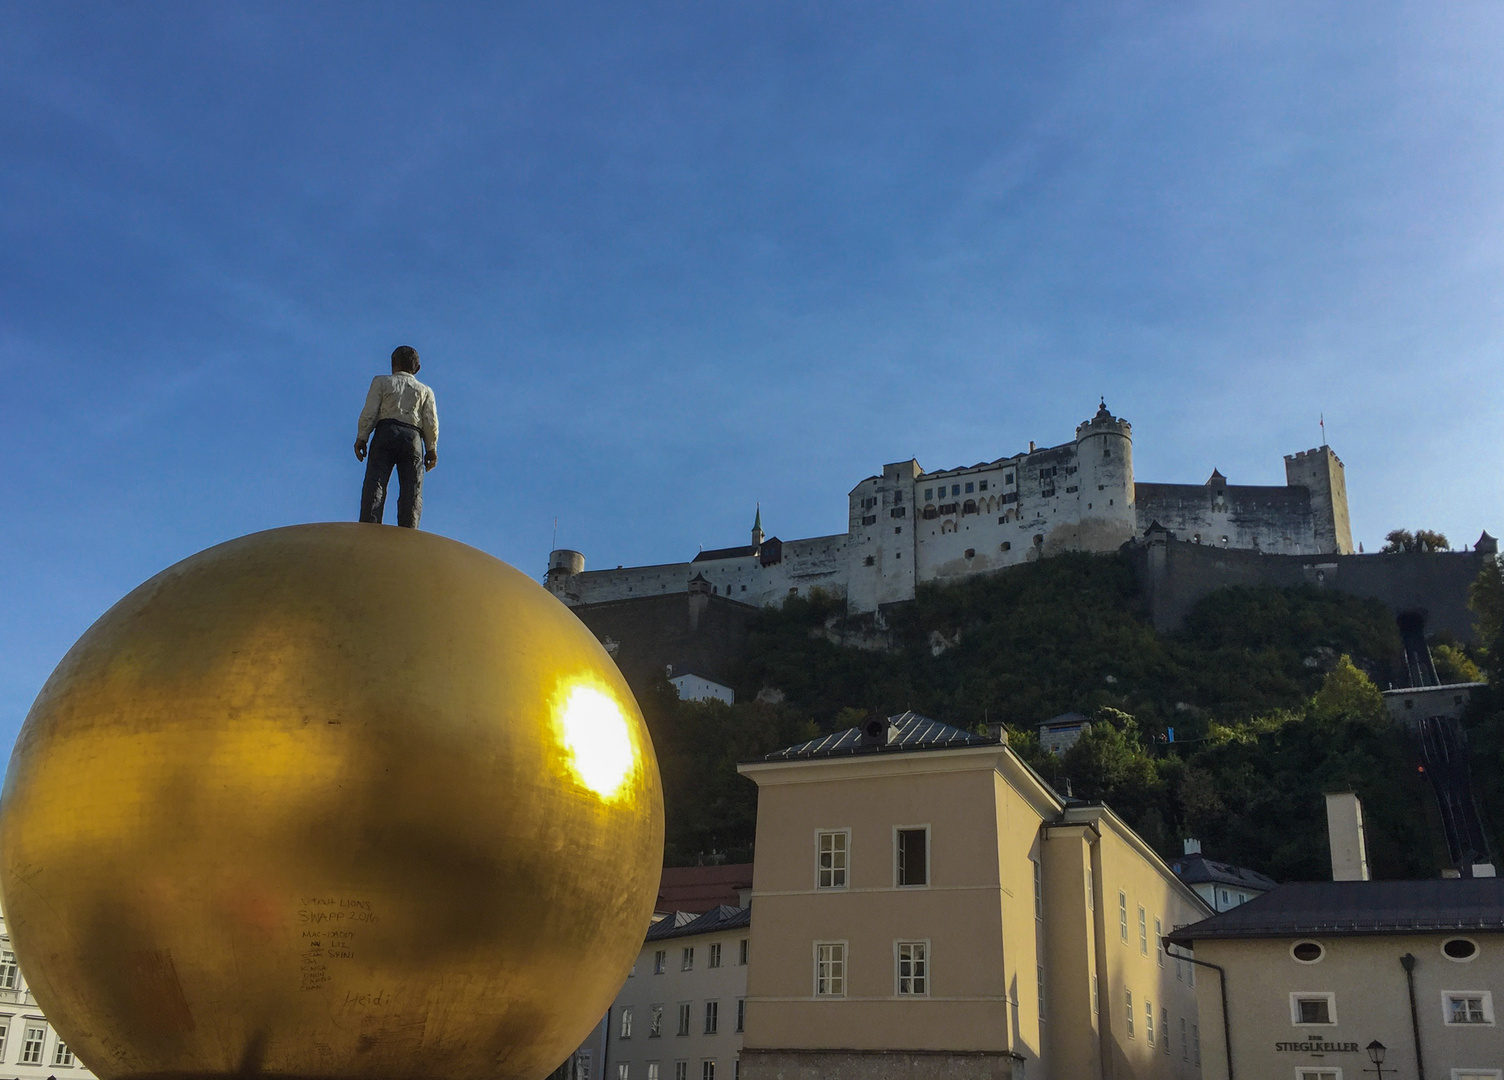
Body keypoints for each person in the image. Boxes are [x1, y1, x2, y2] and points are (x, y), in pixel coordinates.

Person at [355, 345, 439, 528]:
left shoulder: (381, 382)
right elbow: (430, 422)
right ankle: (409, 531)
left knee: (375, 482)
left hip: (385, 433)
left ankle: (369, 526)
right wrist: (431, 449)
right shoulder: (425, 391)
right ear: (417, 369)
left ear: (393, 364)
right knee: (412, 488)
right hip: (413, 438)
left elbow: (370, 411)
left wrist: (362, 436)